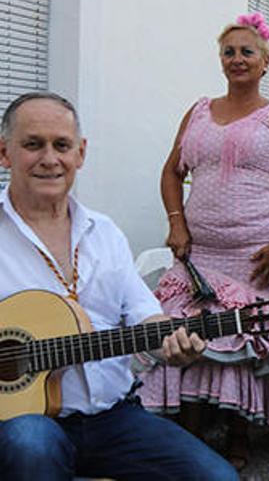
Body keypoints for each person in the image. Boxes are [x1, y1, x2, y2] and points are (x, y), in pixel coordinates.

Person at [0, 91, 238, 480]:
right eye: (32, 144)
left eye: (62, 145)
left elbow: (143, 313)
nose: (49, 158)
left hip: (114, 419)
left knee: (218, 477)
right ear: (4, 153)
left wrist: (170, 341)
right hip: (19, 424)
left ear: (81, 153)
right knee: (32, 443)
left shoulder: (104, 233)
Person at [136, 12, 269, 470]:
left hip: (257, 251)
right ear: (221, 60)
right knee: (189, 330)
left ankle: (239, 433)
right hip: (199, 251)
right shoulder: (197, 110)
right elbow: (172, 173)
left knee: (242, 337)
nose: (237, 59)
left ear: (264, 61)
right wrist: (176, 222)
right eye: (229, 52)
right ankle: (191, 431)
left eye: (246, 52)